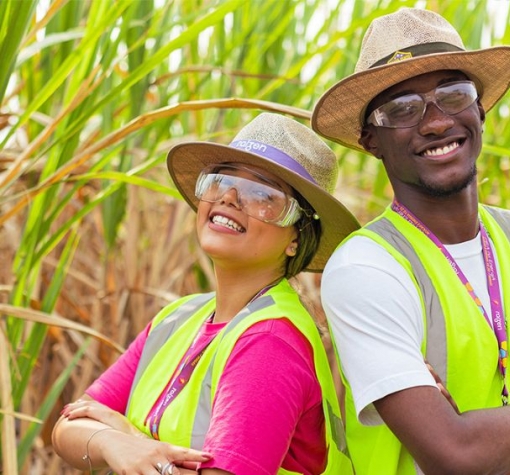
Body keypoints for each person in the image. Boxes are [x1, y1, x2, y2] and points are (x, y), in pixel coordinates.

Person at [311, 8, 510, 475]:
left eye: (453, 95)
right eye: (401, 109)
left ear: (480, 110)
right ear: (371, 140)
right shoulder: (366, 267)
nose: (435, 122)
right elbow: (454, 457)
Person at [52, 112, 359, 475]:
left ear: (296, 237)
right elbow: (68, 425)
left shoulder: (270, 342)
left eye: (262, 194)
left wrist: (132, 443)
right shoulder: (178, 317)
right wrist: (113, 443)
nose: (229, 198)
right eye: (220, 181)